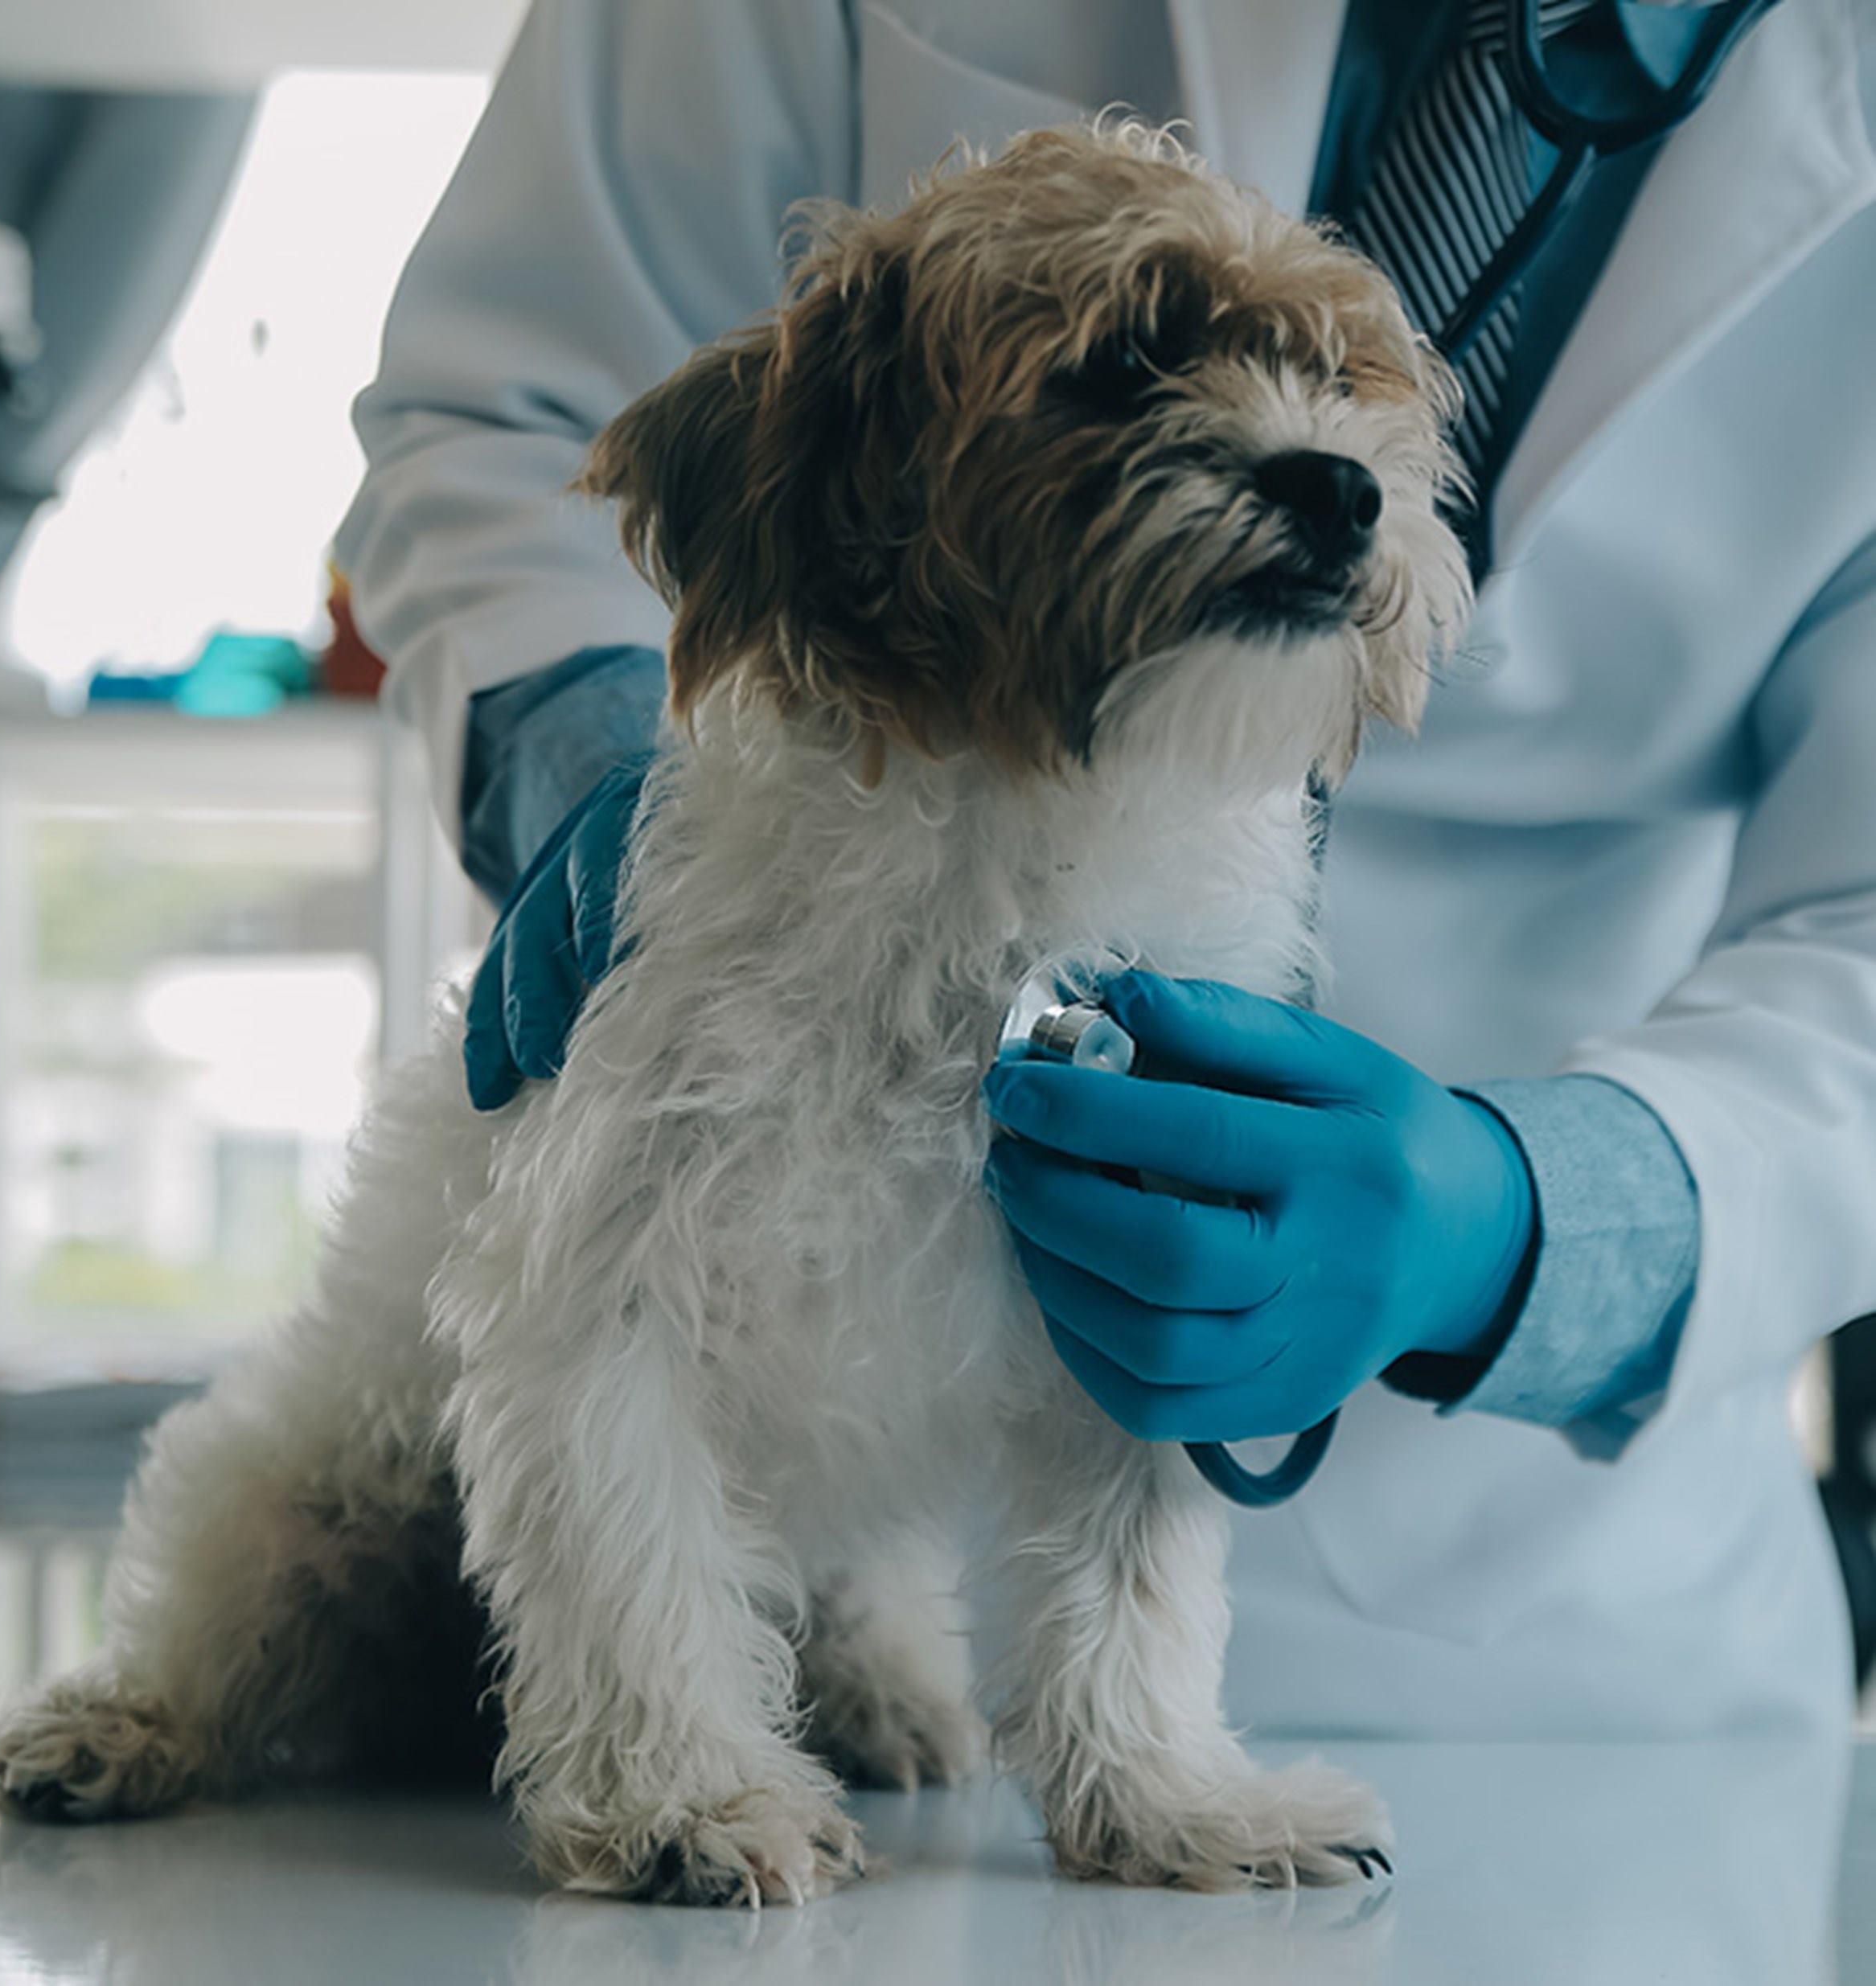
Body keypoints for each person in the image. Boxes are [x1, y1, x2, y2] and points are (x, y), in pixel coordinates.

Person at [335, 0, 1876, 1742]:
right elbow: (513, 404)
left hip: (1553, 1640)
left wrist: (1526, 1223)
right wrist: (610, 771)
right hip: (764, 1525)